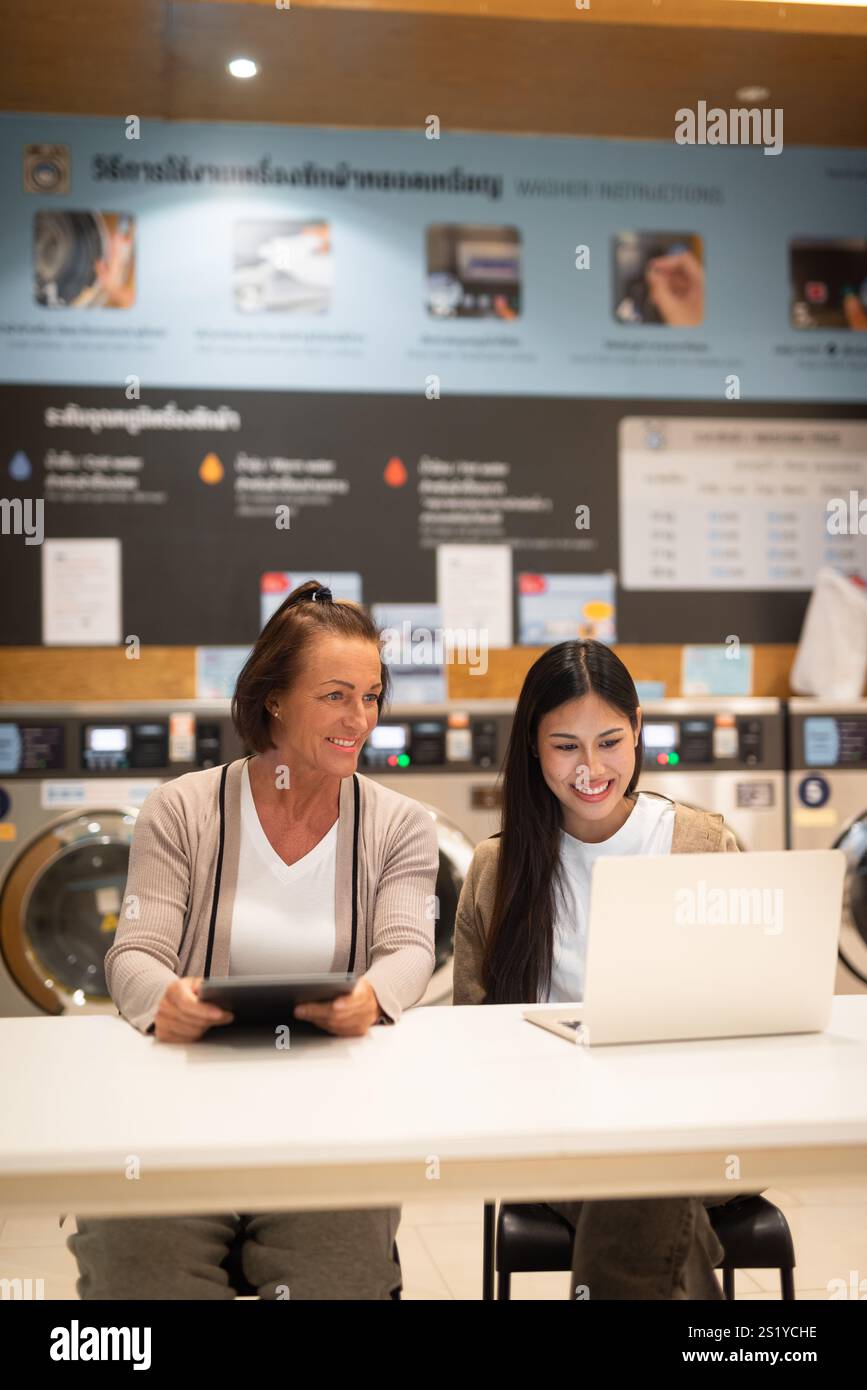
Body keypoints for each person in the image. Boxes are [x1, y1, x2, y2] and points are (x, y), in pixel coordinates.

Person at [68, 580, 439, 1300]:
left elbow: (409, 950)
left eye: (369, 696)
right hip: (181, 1108)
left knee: (337, 1278)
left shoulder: (399, 823)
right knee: (137, 1274)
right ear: (273, 697)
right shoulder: (183, 808)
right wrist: (161, 1001)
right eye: (335, 695)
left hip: (329, 1115)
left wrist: (372, 997)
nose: (357, 718)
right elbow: (135, 951)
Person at [453, 639, 741, 1300]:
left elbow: (744, 1009)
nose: (590, 768)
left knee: (639, 1175)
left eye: (609, 741)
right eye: (565, 746)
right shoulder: (497, 872)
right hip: (554, 1126)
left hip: (699, 1117)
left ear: (638, 728)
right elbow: (467, 1041)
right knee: (640, 1185)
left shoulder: (699, 845)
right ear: (532, 745)